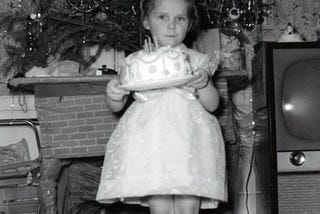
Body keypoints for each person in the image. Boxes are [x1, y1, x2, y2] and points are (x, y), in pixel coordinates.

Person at [96, 0, 228, 213]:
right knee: (160, 207)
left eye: (180, 18)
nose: (171, 25)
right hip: (151, 147)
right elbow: (117, 106)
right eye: (162, 17)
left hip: (190, 145)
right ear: (146, 22)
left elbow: (213, 105)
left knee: (188, 205)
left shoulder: (196, 61)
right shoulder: (135, 62)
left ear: (189, 23)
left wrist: (204, 85)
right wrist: (114, 94)